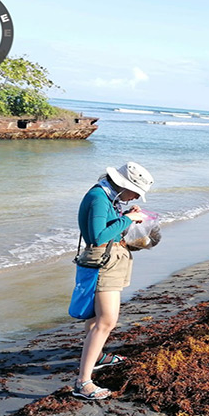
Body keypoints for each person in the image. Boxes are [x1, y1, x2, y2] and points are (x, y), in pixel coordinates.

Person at [73, 162, 153, 400]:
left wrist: (125, 216)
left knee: (97, 317)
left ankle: (96, 357)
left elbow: (103, 227)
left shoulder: (106, 195)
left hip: (107, 260)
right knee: (107, 320)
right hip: (103, 262)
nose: (136, 196)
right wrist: (127, 219)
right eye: (136, 191)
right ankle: (83, 383)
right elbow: (98, 237)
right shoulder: (99, 197)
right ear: (123, 185)